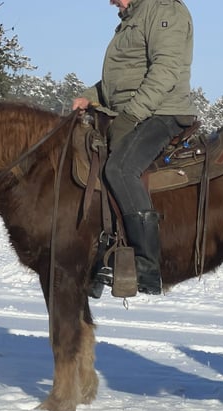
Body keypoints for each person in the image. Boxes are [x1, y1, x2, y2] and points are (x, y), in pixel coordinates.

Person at [73, 0, 197, 295]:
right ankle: (103, 251)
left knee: (122, 168)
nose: (110, 1)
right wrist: (90, 96)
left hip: (162, 112)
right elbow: (120, 80)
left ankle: (147, 265)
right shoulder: (133, 17)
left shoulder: (164, 9)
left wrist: (131, 115)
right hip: (133, 111)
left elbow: (165, 71)